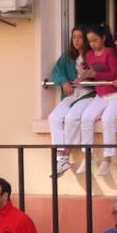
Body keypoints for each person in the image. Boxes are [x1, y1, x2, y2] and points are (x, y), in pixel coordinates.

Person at [74, 26, 117, 176]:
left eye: (95, 40)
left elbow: (114, 74)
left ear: (103, 38)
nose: (92, 44)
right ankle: (87, 156)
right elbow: (93, 76)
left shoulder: (110, 52)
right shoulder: (89, 54)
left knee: (108, 120)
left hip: (115, 94)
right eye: (89, 41)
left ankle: (107, 158)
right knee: (86, 118)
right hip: (100, 94)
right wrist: (84, 75)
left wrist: (94, 73)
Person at [48, 26, 95, 176]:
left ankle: (64, 157)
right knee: (54, 118)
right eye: (74, 37)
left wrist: (87, 76)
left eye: (80, 37)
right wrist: (63, 82)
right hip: (71, 95)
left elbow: (101, 73)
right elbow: (56, 71)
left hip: (88, 94)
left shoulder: (92, 55)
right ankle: (60, 157)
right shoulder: (67, 56)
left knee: (71, 118)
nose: (76, 40)